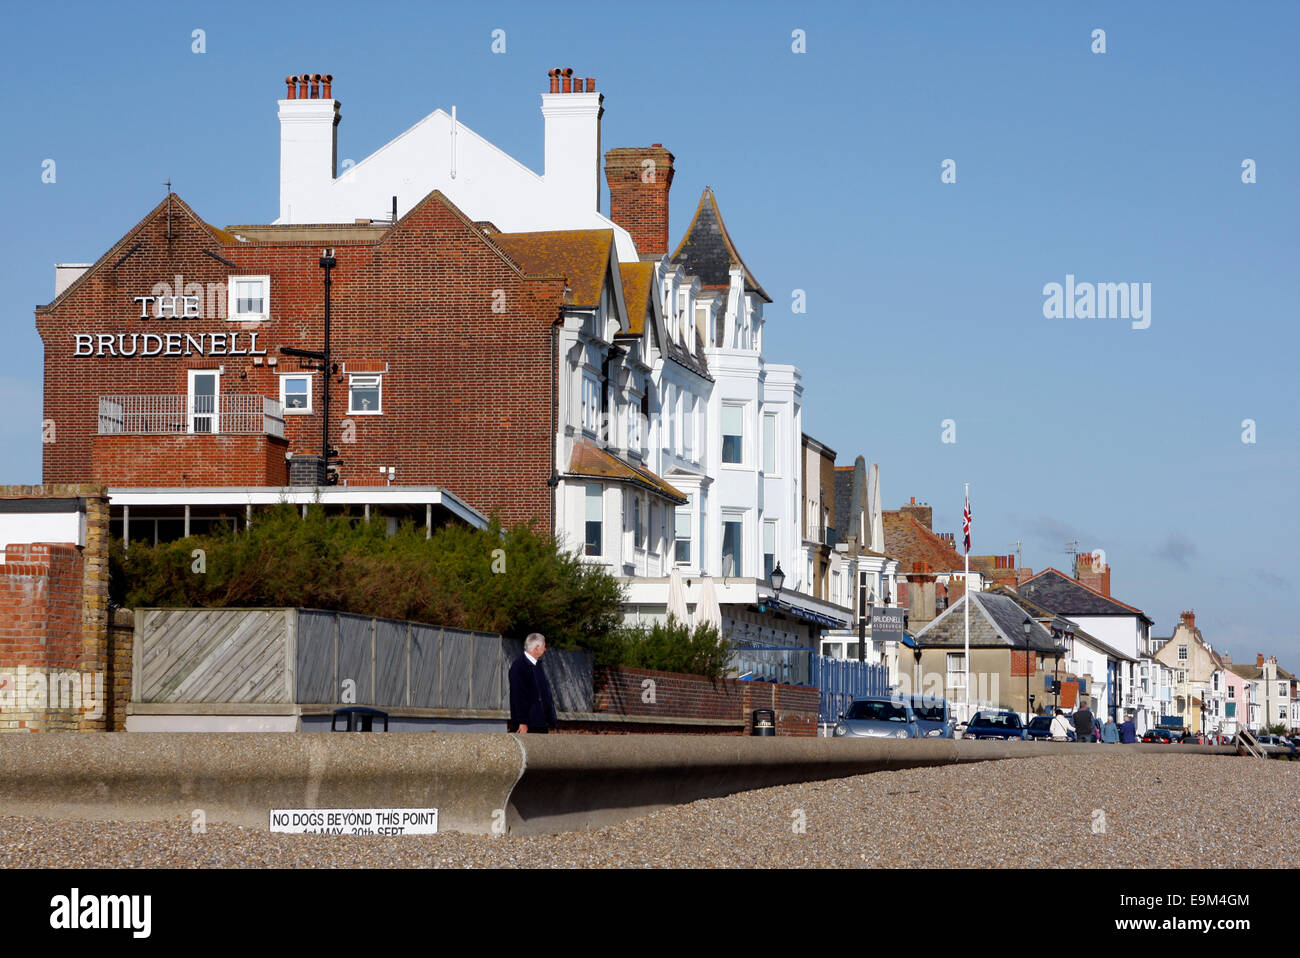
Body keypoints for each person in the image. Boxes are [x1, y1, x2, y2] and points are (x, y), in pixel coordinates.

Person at [508, 633, 557, 734]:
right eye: (544, 646)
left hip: (541, 723)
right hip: (529, 725)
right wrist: (522, 722)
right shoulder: (519, 666)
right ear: (536, 648)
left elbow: (544, 694)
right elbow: (518, 696)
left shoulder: (537, 665)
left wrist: (550, 720)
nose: (545, 649)